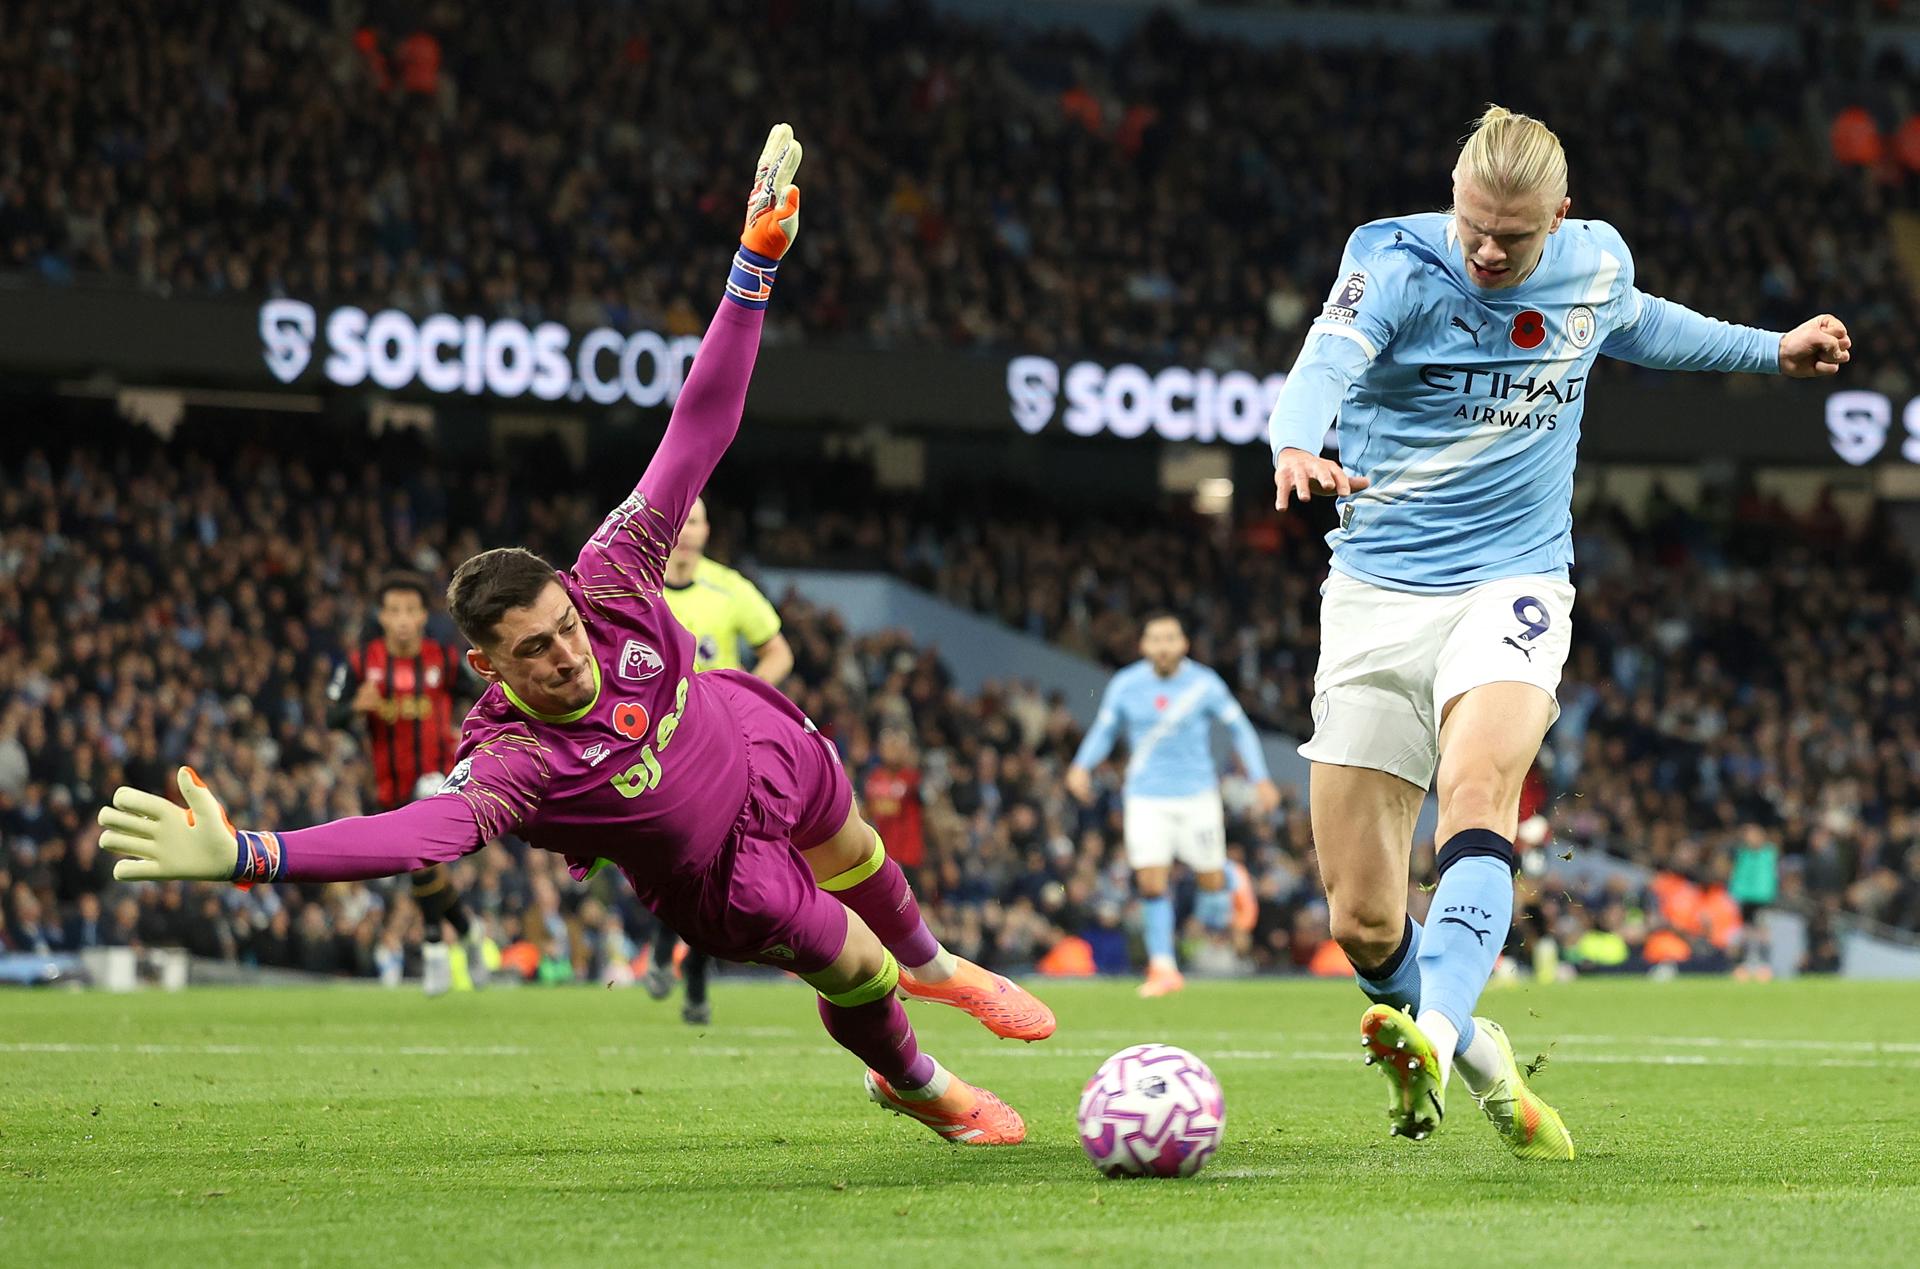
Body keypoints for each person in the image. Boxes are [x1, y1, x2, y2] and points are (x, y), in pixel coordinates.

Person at [97, 124, 1053, 1147]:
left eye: (563, 626)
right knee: (857, 966)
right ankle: (915, 1082)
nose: (566, 654)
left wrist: (754, 267)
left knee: (855, 841)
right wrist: (252, 853)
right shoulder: (517, 757)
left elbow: (699, 427)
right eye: (536, 651)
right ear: (486, 665)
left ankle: (939, 966)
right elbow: (420, 833)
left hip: (746, 730)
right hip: (718, 873)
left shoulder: (614, 571)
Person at [1266, 104, 1850, 1160]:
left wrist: (1773, 350)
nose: (1488, 252)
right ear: (1453, 198)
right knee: (1362, 921)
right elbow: (1323, 361)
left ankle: (1435, 1030)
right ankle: (1474, 1050)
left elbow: (1646, 323)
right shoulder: (1390, 261)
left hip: (1514, 580)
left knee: (1478, 792)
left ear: (1561, 216)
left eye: (1514, 236)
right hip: (1377, 592)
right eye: (1474, 226)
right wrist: (1296, 444)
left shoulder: (1594, 262)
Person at [1065, 611, 1280, 998]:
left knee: (1209, 882)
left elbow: (1240, 728)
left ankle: (1230, 877)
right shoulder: (1126, 684)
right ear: (1143, 646)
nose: (1163, 647)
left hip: (1197, 795)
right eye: (1155, 639)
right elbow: (1105, 730)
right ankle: (1163, 967)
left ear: (1183, 644)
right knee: (1151, 881)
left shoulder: (1204, 684)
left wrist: (1260, 777)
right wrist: (1081, 766)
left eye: (1170, 639)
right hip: (1145, 796)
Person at [641, 495, 796, 1023]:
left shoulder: (730, 589)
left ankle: (692, 972)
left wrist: (744, 695)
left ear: (708, 531)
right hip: (653, 744)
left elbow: (779, 651)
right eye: (680, 521)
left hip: (716, 746)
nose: (687, 532)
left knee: (712, 859)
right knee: (670, 853)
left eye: (697, 522)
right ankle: (671, 952)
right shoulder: (639, 588)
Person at [326, 571, 491, 994]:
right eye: (394, 611)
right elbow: (331, 715)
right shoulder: (362, 662)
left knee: (420, 854)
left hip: (439, 777)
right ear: (382, 617)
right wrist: (354, 707)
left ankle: (434, 949)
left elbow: (485, 695)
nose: (402, 619)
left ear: (422, 616)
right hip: (387, 786)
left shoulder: (444, 659)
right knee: (419, 865)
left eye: (410, 610)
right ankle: (469, 933)